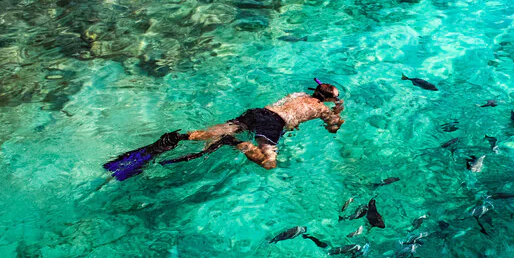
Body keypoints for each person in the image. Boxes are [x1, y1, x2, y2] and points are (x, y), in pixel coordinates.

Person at [103, 80, 343, 180]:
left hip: (258, 112)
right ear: (329, 100)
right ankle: (235, 143)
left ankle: (179, 136)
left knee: (212, 132)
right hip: (273, 123)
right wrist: (338, 111)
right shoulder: (322, 109)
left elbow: (281, 104)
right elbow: (333, 127)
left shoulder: (299, 95)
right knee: (269, 164)